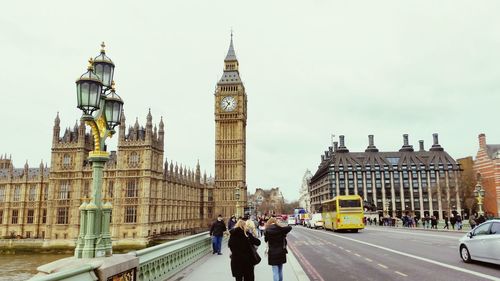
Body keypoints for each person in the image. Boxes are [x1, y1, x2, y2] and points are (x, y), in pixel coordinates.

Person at [265, 217, 292, 281]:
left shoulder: (267, 230)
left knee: (275, 271)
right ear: (276, 222)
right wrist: (281, 225)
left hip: (272, 252)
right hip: (281, 252)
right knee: (280, 270)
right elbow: (290, 227)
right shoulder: (281, 229)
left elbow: (266, 240)